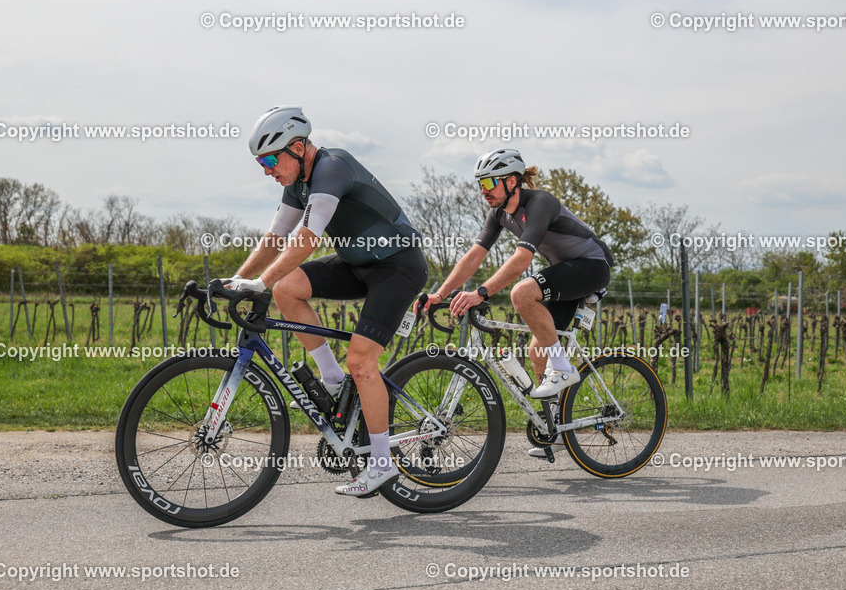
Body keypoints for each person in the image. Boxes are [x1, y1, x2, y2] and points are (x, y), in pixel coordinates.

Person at [228, 106, 428, 495]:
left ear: (299, 147)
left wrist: (259, 283)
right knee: (286, 289)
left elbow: (305, 240)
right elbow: (275, 238)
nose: (267, 169)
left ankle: (382, 464)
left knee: (361, 359)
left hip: (398, 266)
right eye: (260, 162)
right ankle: (333, 379)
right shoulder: (296, 183)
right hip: (358, 263)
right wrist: (238, 280)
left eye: (270, 159)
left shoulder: (332, 167)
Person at [418, 148, 613, 457]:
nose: (483, 191)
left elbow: (523, 259)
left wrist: (480, 293)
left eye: (488, 184)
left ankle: (563, 367)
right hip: (565, 271)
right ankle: (559, 429)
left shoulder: (540, 203)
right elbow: (474, 256)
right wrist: (439, 294)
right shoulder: (499, 213)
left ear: (511, 181)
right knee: (538, 350)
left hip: (592, 265)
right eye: (479, 185)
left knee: (522, 293)